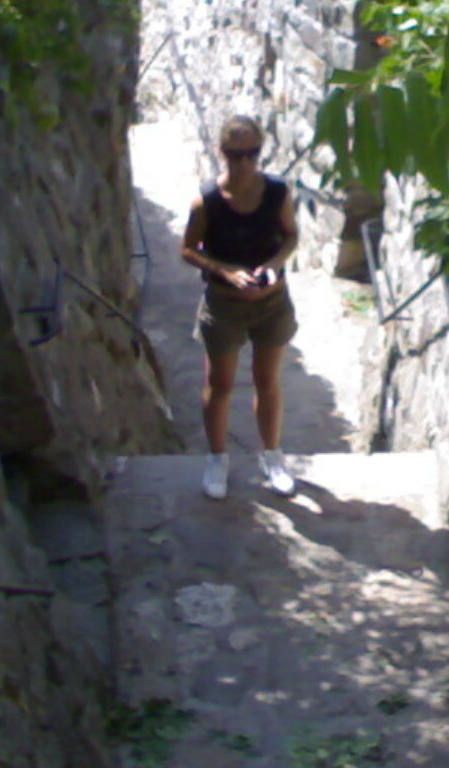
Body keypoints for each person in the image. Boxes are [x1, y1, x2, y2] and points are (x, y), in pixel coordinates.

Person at [180, 115, 299, 499]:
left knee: (268, 382)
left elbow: (291, 235)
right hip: (224, 304)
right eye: (236, 155)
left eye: (252, 154)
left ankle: (272, 456)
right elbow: (188, 249)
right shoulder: (207, 201)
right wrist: (225, 271)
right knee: (220, 384)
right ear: (222, 153)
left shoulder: (277, 193)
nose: (244, 162)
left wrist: (274, 265)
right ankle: (217, 458)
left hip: (272, 302)